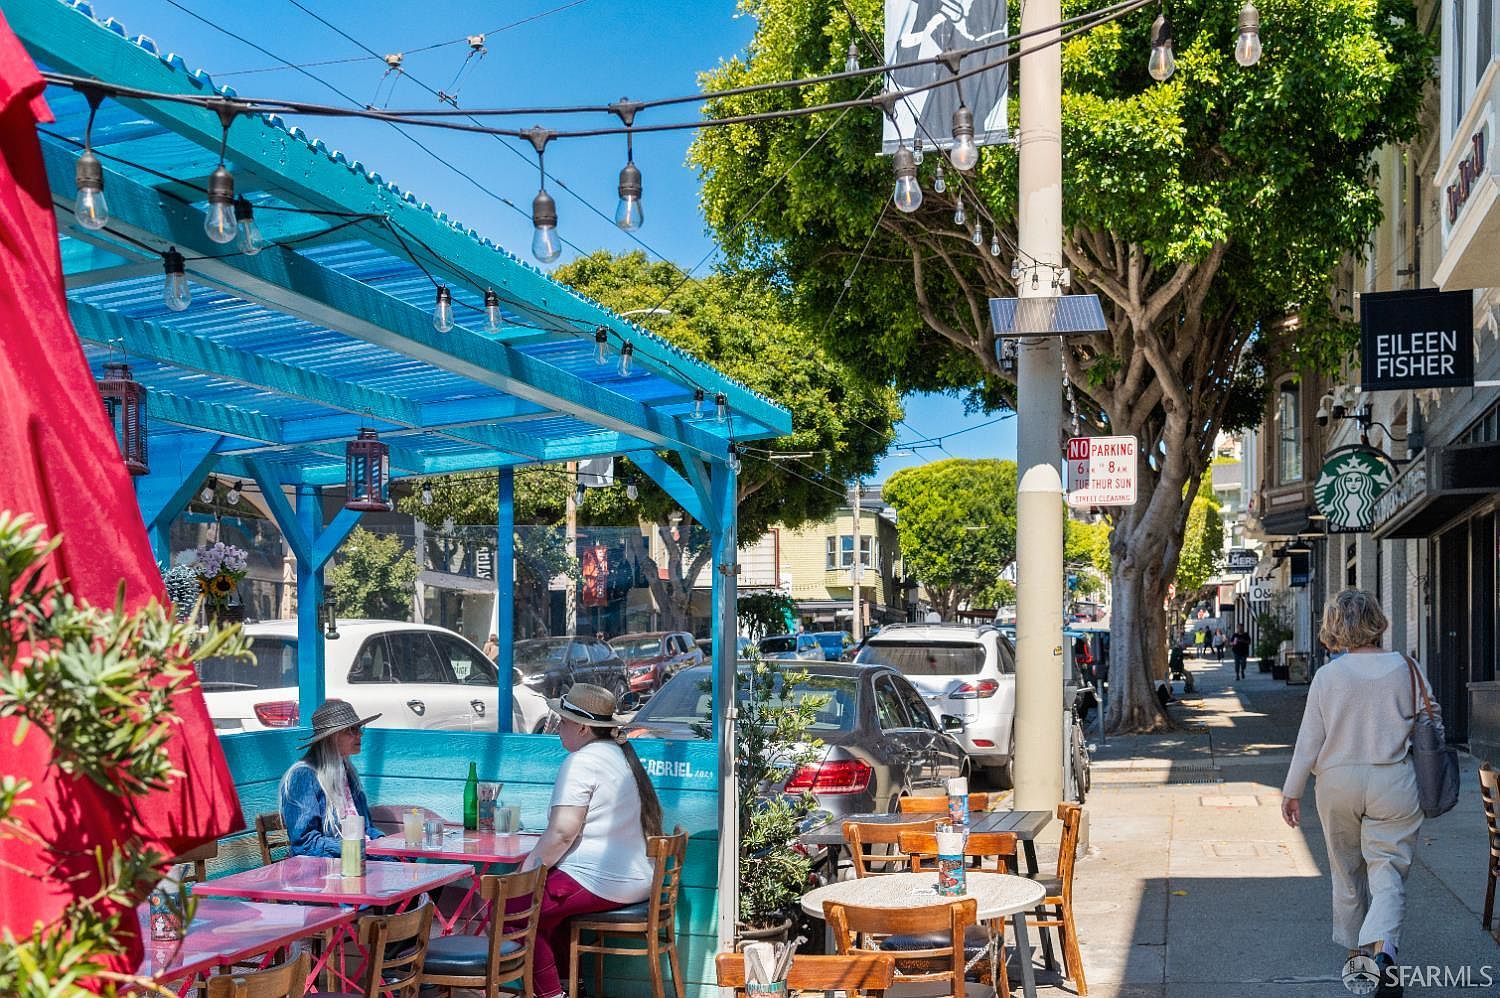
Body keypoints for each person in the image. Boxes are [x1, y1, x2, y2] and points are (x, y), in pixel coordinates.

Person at [1282, 589, 1427, 994]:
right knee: (1388, 869)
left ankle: (1358, 960)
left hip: (1338, 781)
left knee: (1346, 873)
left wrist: (1292, 790)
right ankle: (1386, 953)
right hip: (1393, 780)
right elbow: (1432, 722)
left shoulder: (1328, 676)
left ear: (1335, 626)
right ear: (1376, 620)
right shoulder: (1407, 668)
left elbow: (1310, 739)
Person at [518, 684, 663, 998]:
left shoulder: (582, 762)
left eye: (564, 720)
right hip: (633, 877)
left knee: (514, 908)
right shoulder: (618, 754)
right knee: (546, 914)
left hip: (606, 878)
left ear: (583, 727)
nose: (557, 726)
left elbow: (562, 833)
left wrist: (525, 874)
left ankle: (552, 994)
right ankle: (572, 988)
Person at [279, 699, 384, 857]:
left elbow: (366, 830)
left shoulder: (347, 773)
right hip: (326, 870)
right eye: (352, 729)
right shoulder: (303, 777)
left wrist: (385, 843)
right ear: (331, 737)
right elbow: (305, 843)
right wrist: (355, 848)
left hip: (359, 859)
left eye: (359, 728)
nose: (359, 734)